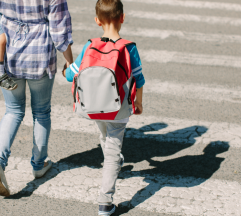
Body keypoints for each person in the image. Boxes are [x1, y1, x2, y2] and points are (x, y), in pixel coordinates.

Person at [0, 0, 74, 197]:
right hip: (40, 56)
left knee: (13, 111)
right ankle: (39, 164)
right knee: (41, 112)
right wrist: (70, 62)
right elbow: (60, 32)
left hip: (9, 54)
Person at [62, 0, 145, 215]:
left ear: (97, 20)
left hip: (93, 106)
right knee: (112, 151)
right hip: (118, 108)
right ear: (122, 18)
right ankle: (105, 202)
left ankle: (114, 162)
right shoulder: (129, 48)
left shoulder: (91, 45)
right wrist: (138, 102)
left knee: (105, 138)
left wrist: (65, 71)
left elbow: (71, 74)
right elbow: (140, 79)